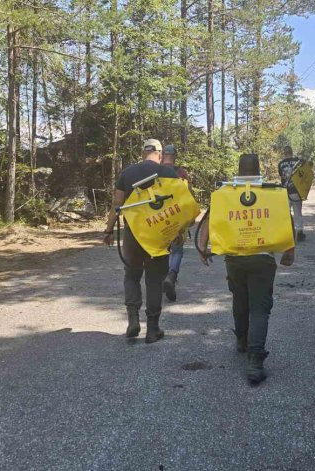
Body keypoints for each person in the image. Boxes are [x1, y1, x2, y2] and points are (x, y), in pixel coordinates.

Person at [197, 154, 295, 385]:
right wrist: (289, 250)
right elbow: (285, 219)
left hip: (235, 259)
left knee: (240, 300)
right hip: (263, 259)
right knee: (260, 308)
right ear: (258, 170)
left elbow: (209, 219)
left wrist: (202, 247)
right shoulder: (271, 192)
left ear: (239, 171)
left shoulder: (226, 193)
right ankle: (255, 362)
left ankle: (242, 339)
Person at [102, 139, 179, 343]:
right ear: (160, 154)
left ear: (142, 153)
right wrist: (178, 231)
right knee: (154, 279)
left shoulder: (128, 173)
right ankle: (152, 329)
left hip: (133, 234)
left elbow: (117, 203)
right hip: (158, 235)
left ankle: (133, 320)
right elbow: (179, 205)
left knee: (132, 275)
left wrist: (109, 230)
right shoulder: (169, 173)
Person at [160, 144, 190, 302]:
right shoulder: (181, 173)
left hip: (157, 218)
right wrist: (189, 218)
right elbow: (187, 197)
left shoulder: (155, 172)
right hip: (177, 217)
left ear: (162, 156)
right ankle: (171, 276)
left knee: (161, 250)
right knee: (177, 250)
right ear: (175, 157)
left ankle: (161, 278)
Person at [277, 145, 306, 241]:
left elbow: (281, 175)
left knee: (286, 213)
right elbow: (303, 174)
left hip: (285, 191)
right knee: (298, 212)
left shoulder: (281, 164)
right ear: (291, 152)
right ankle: (300, 232)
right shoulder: (297, 162)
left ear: (284, 153)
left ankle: (288, 233)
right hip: (296, 190)